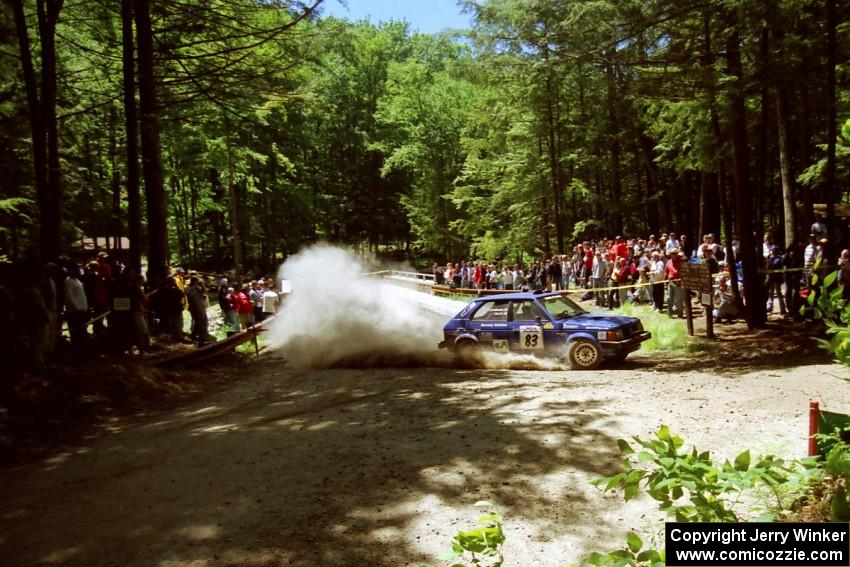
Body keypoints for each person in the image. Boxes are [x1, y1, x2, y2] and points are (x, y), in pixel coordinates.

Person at [64, 264, 90, 351]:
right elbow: (69, 297)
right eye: (77, 270)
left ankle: (82, 348)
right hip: (75, 312)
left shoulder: (77, 280)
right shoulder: (69, 281)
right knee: (76, 332)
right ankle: (76, 349)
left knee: (82, 331)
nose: (79, 271)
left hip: (82, 311)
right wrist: (78, 309)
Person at [185, 276, 209, 346]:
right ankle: (202, 338)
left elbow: (204, 294)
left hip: (200, 306)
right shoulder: (189, 289)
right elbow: (191, 296)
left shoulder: (197, 288)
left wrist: (202, 286)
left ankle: (193, 336)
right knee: (200, 322)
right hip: (195, 308)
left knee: (199, 322)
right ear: (194, 281)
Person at [666, 250, 684, 318]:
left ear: (677, 254)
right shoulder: (669, 262)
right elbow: (666, 272)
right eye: (672, 253)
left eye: (675, 253)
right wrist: (666, 282)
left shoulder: (681, 262)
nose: (673, 255)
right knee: (669, 298)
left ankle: (680, 313)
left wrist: (681, 280)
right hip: (670, 282)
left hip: (678, 282)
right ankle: (670, 313)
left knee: (679, 299)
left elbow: (683, 272)